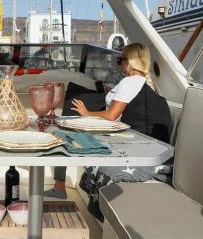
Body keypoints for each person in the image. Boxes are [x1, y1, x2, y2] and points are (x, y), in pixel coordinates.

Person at [45, 43, 171, 215]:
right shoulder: (140, 82)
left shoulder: (130, 81)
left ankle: (59, 185)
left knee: (66, 130)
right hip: (127, 133)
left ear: (131, 62)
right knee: (70, 117)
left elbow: (112, 115)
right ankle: (59, 184)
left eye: (120, 60)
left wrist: (87, 113)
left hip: (126, 137)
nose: (119, 64)